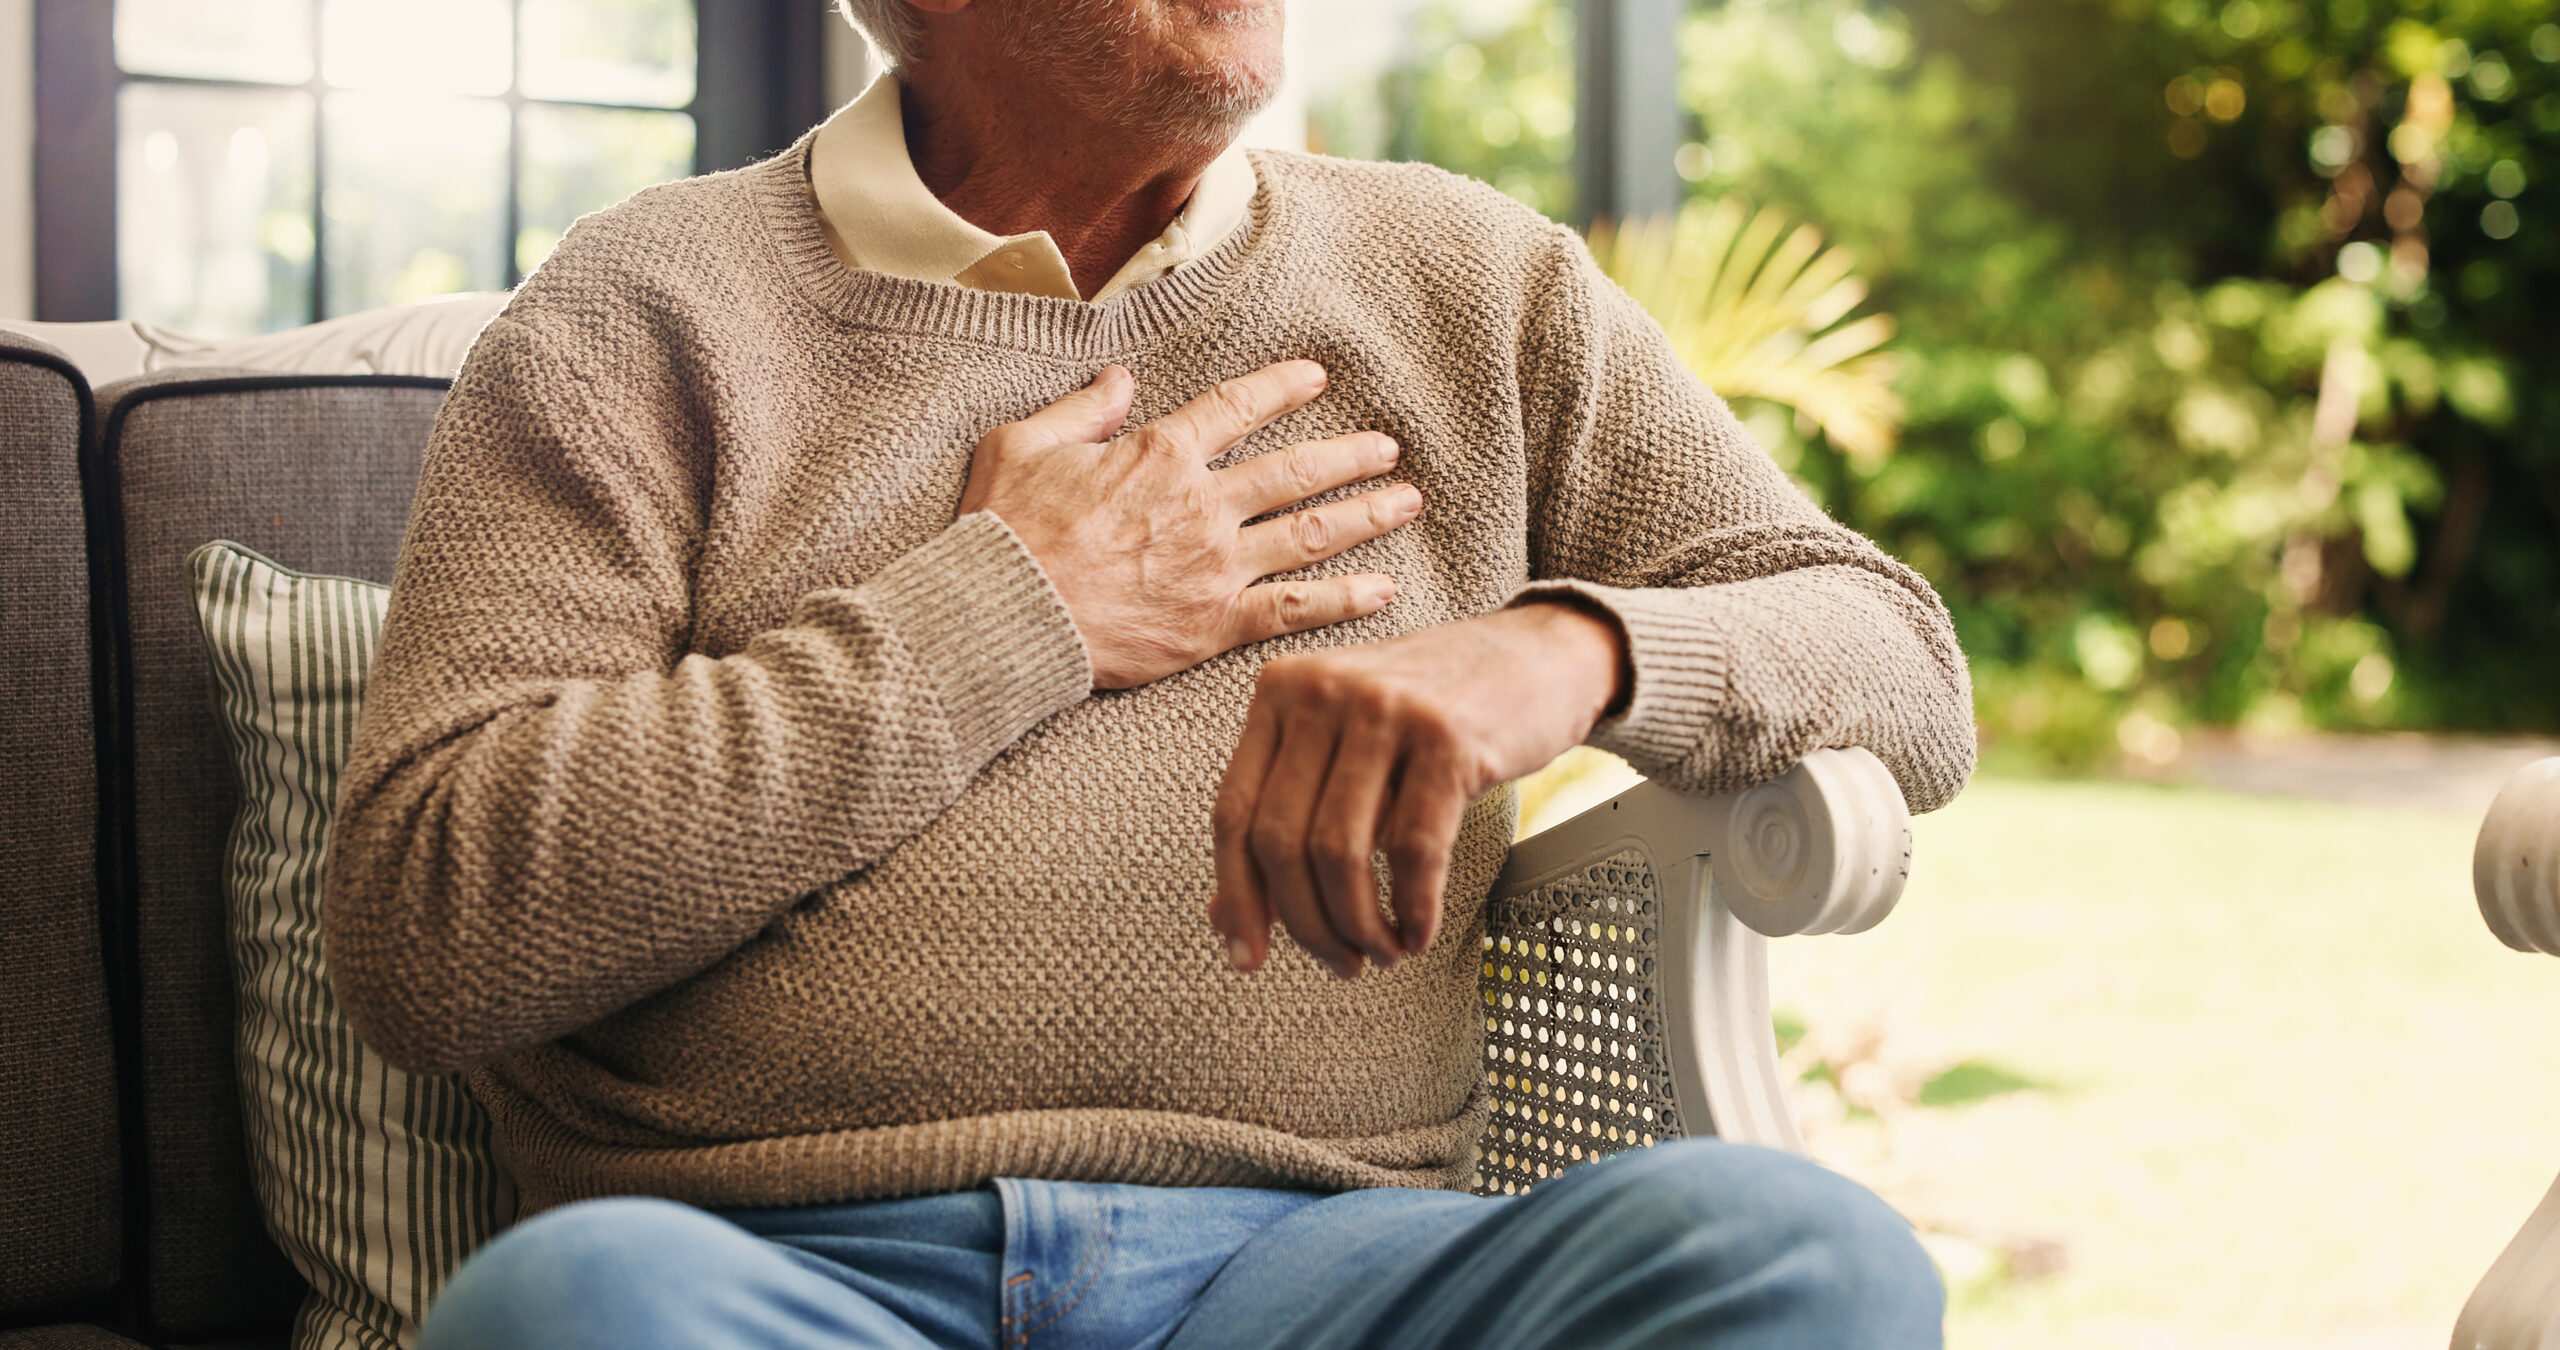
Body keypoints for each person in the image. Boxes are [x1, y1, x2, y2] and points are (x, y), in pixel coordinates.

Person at [324, 0, 1977, 1343]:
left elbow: (1897, 657)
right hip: (779, 1270)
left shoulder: (1473, 279)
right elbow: (423, 923)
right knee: (569, 1312)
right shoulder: (638, 310)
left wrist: (1565, 649)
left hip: (1326, 1264)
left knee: (1804, 1259)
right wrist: (1011, 608)